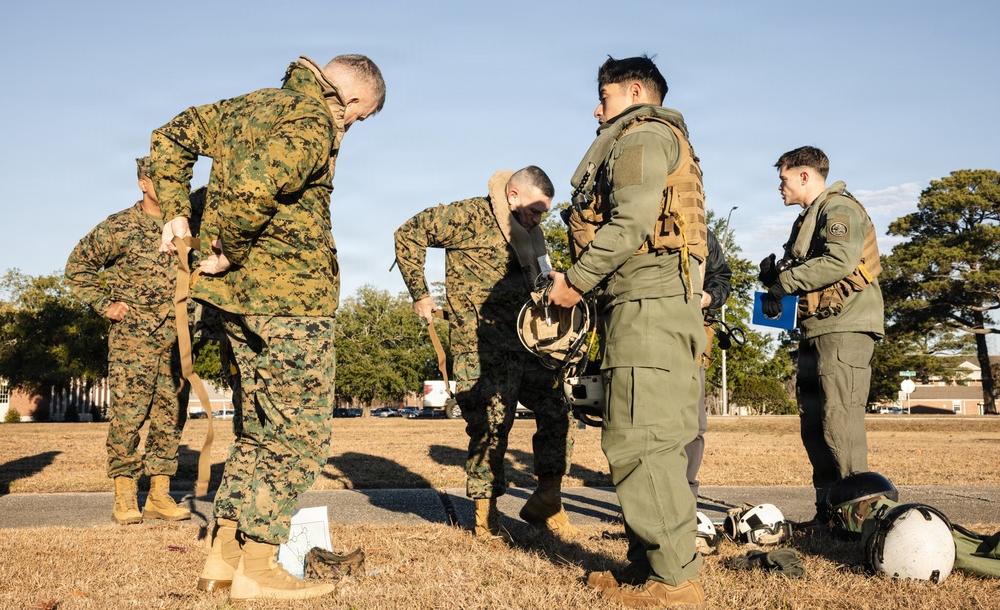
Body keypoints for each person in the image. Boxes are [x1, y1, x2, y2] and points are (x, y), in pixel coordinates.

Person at [148, 54, 385, 601]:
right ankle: (259, 566)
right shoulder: (311, 118)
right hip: (290, 301)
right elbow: (258, 185)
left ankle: (223, 560)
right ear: (350, 100)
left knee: (258, 432)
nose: (351, 127)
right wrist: (225, 247)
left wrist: (176, 212)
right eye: (360, 117)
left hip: (241, 306)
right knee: (299, 438)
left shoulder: (249, 105)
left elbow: (169, 135)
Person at [548, 55, 708, 607]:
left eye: (605, 96)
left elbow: (631, 222)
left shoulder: (641, 137)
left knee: (641, 439)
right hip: (649, 303)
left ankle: (676, 582)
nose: (598, 109)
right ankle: (650, 566)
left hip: (649, 304)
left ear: (635, 91)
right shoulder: (659, 139)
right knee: (652, 438)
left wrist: (575, 281)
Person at [394, 166, 579, 542]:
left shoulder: (531, 233)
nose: (538, 218)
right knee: (491, 429)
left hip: (530, 345)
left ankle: (547, 499)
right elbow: (408, 233)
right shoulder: (469, 216)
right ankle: (485, 519)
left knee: (558, 411)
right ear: (512, 195)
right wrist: (421, 293)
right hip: (483, 348)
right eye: (534, 210)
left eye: (543, 212)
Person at [758, 145, 884, 526]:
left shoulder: (838, 209)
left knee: (839, 419)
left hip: (844, 329)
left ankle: (861, 519)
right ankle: (830, 515)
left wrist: (787, 281)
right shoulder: (809, 218)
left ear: (804, 176)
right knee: (815, 423)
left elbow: (839, 261)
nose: (779, 187)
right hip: (817, 327)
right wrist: (775, 280)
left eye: (783, 179)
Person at [65, 157, 193, 526]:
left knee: (171, 418)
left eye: (177, 181)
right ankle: (125, 494)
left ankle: (159, 494)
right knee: (128, 417)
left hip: (176, 340)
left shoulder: (186, 228)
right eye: (163, 181)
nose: (172, 188)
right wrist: (107, 305)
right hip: (133, 341)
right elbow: (77, 267)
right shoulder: (120, 226)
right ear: (143, 183)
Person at [688, 229, 732, 500]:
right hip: (646, 337)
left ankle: (685, 500)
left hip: (693, 339)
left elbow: (722, 277)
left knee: (693, 426)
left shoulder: (703, 234)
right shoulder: (638, 217)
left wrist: (710, 296)